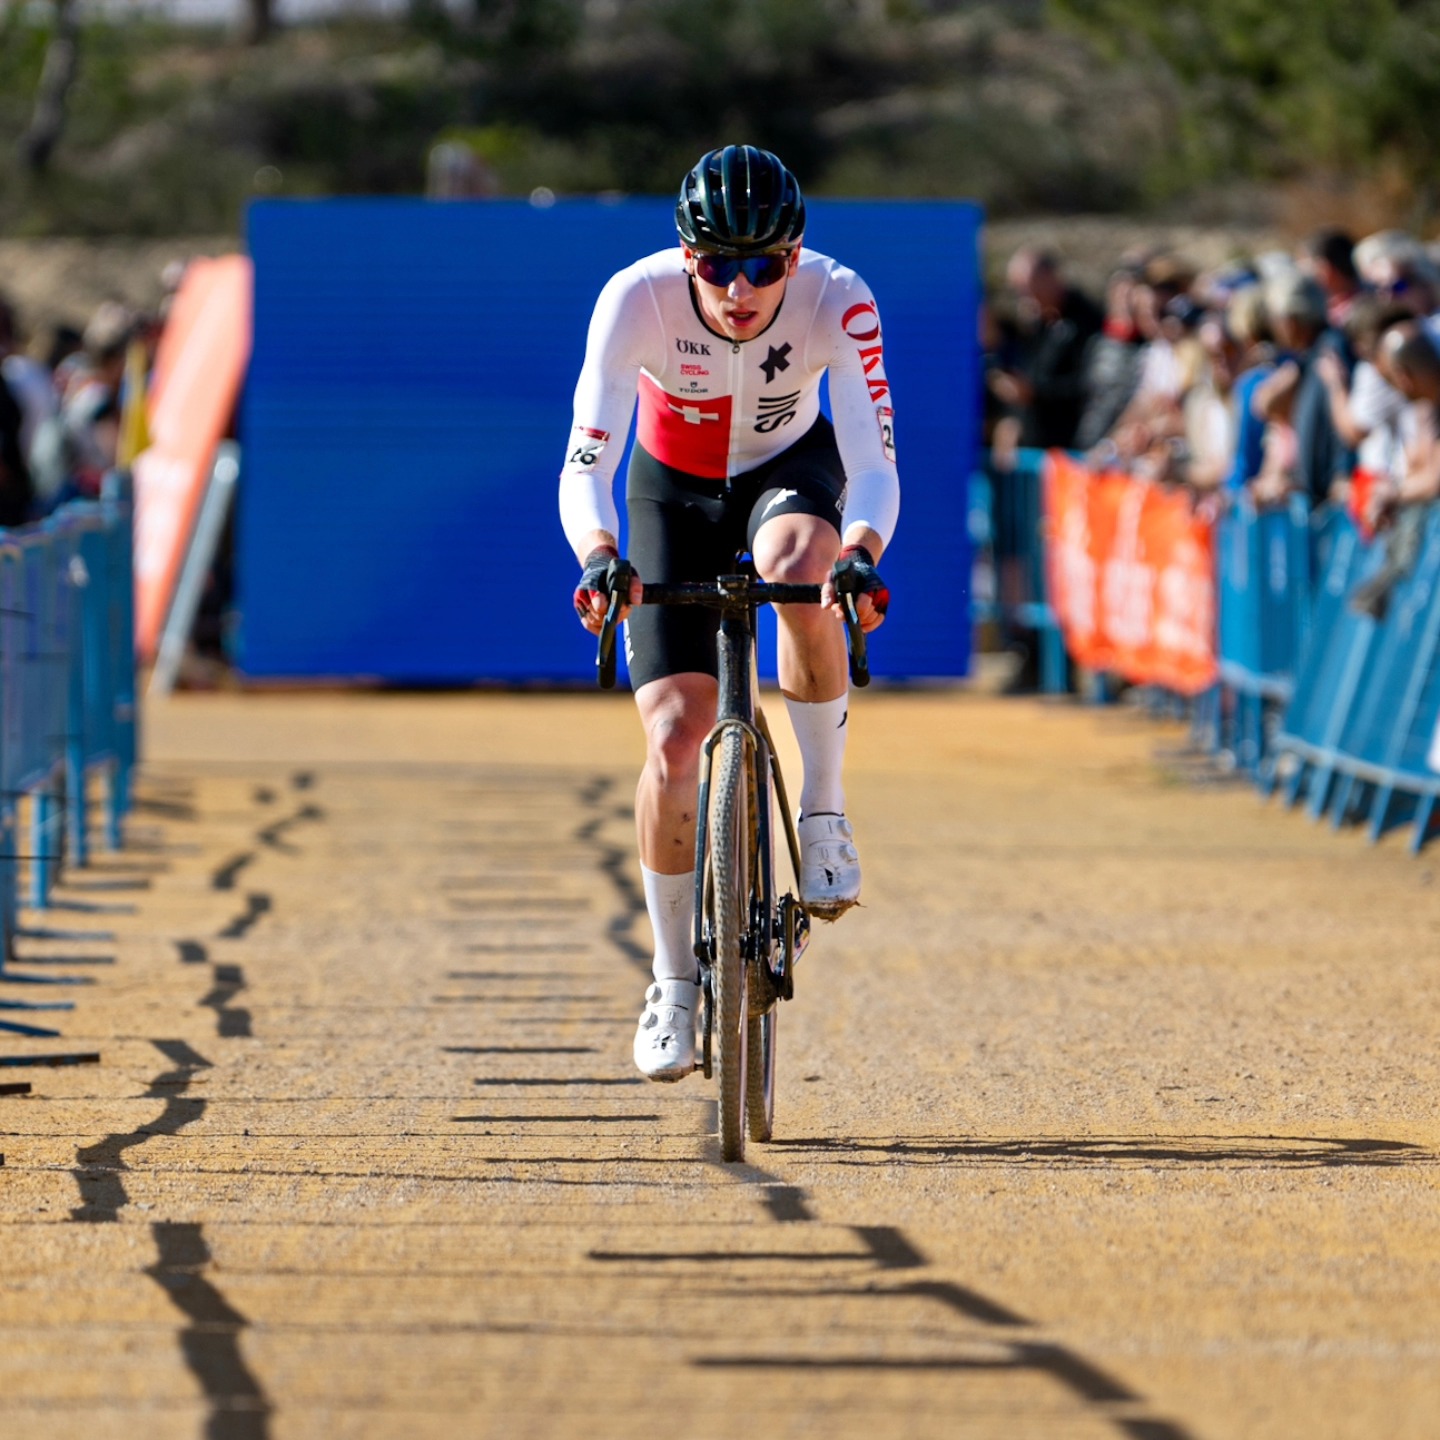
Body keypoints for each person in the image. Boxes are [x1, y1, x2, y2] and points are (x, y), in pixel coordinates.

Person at [557, 145, 896, 1082]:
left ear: (797, 258)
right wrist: (598, 557)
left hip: (790, 471)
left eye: (765, 265)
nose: (742, 288)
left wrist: (861, 550)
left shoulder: (840, 296)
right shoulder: (636, 298)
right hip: (671, 491)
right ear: (685, 257)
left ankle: (823, 808)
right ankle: (671, 980)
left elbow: (872, 463)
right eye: (718, 265)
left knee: (802, 563)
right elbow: (587, 458)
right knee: (675, 736)